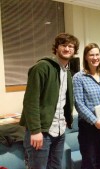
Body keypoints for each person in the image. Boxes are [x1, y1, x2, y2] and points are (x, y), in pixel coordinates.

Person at [19, 33, 80, 169]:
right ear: (56, 48)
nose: (67, 49)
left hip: (59, 132)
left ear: (74, 51)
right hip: (41, 132)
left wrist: (66, 120)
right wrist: (35, 131)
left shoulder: (67, 73)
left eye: (71, 46)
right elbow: (30, 102)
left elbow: (63, 101)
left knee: (55, 167)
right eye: (63, 45)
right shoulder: (42, 67)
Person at [73, 43, 100, 169]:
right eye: (91, 55)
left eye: (97, 54)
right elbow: (78, 103)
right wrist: (95, 121)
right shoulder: (78, 77)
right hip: (89, 128)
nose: (95, 57)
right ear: (86, 57)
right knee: (90, 163)